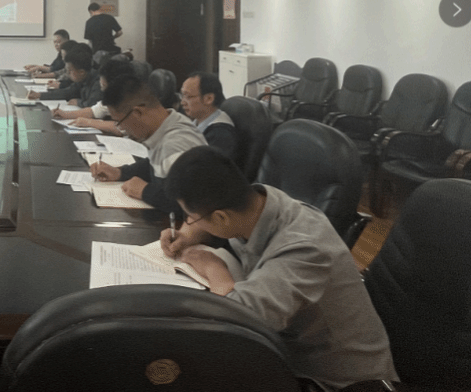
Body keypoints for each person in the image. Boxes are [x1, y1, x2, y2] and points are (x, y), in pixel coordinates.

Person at [160, 147, 398, 390]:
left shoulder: (304, 249)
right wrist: (193, 234)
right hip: (289, 342)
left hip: (336, 380)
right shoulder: (258, 203)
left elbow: (236, 323)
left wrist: (213, 267)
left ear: (221, 217)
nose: (190, 223)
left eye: (191, 217)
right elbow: (226, 224)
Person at [89, 74, 205, 211]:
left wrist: (145, 191)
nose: (122, 129)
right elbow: (153, 165)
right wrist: (120, 172)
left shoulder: (175, 144)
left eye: (120, 122)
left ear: (137, 112)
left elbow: (191, 203)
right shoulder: (167, 124)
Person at [51, 57, 134, 135]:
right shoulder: (113, 96)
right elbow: (93, 111)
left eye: (104, 86)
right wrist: (65, 114)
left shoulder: (132, 99)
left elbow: (124, 128)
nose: (102, 90)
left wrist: (90, 122)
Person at [181, 71, 238, 159]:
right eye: (182, 95)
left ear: (209, 98)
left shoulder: (220, 135)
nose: (182, 102)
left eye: (188, 96)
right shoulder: (197, 121)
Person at [28, 43, 101, 107]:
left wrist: (79, 102)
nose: (68, 74)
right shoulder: (81, 79)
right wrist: (39, 95)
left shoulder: (98, 82)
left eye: (70, 71)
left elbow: (93, 105)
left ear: (81, 72)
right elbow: (67, 92)